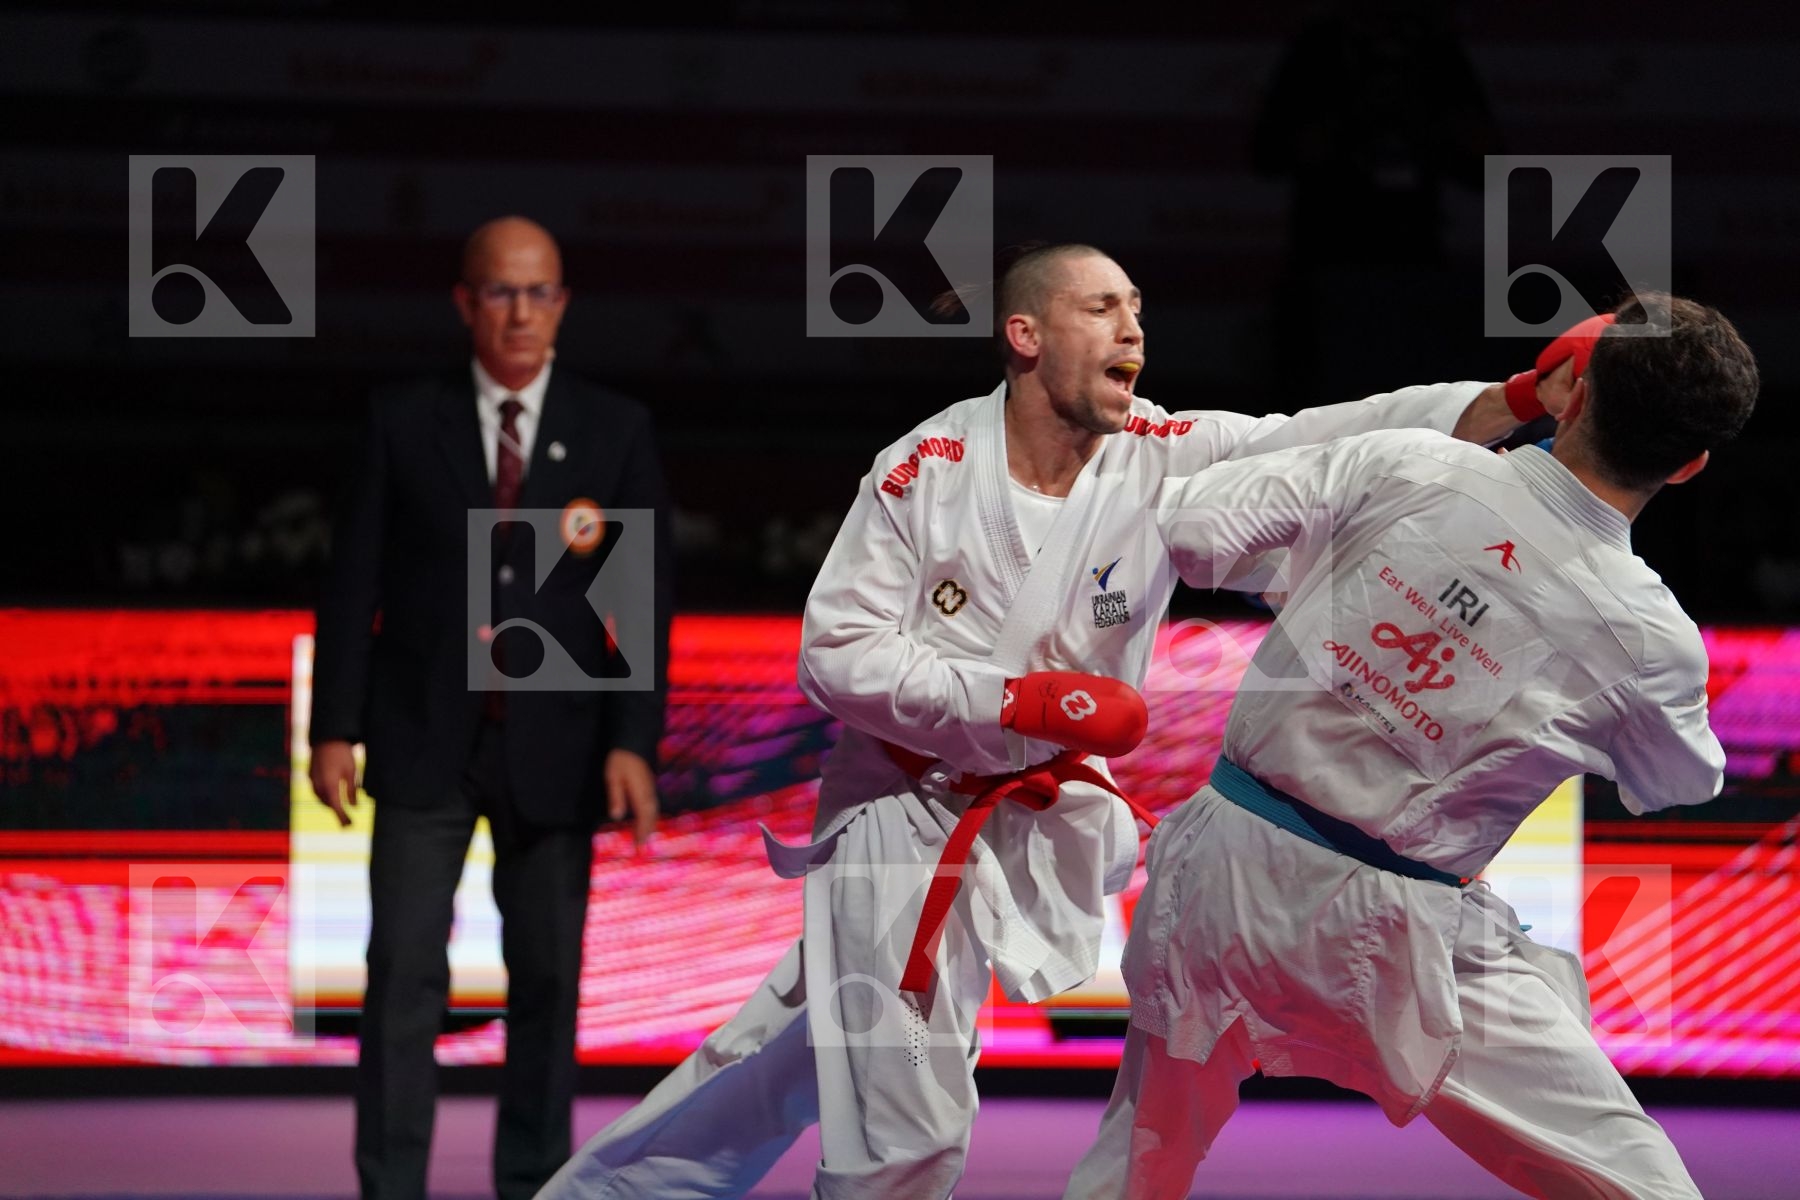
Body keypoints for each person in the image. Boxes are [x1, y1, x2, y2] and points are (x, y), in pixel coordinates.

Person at [537, 243, 1544, 1200]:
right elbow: (834, 653)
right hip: (901, 808)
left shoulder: (1162, 455)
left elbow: (1327, 436)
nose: (1134, 332)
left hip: (1028, 816)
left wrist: (1510, 403)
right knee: (909, 1124)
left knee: (786, 1060)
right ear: (1026, 335)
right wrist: (1012, 701)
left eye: (1140, 312)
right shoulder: (923, 467)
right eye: (1103, 308)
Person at [1061, 293, 1759, 1200]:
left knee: (1137, 1163)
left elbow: (1193, 531)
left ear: (1572, 394)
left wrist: (1334, 576)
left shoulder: (1413, 463)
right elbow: (1677, 781)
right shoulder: (1648, 636)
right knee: (1634, 1181)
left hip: (1221, 878)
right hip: (1396, 934)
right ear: (1693, 464)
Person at [309, 216, 673, 1200]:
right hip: (423, 738)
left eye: (541, 292)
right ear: (465, 302)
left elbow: (633, 603)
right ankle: (390, 1186)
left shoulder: (612, 428)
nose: (523, 312)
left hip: (558, 748)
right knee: (401, 983)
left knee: (548, 988)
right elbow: (355, 583)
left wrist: (634, 741)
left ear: (563, 303)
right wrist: (332, 727)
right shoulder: (400, 417)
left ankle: (533, 1184)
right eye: (502, 293)